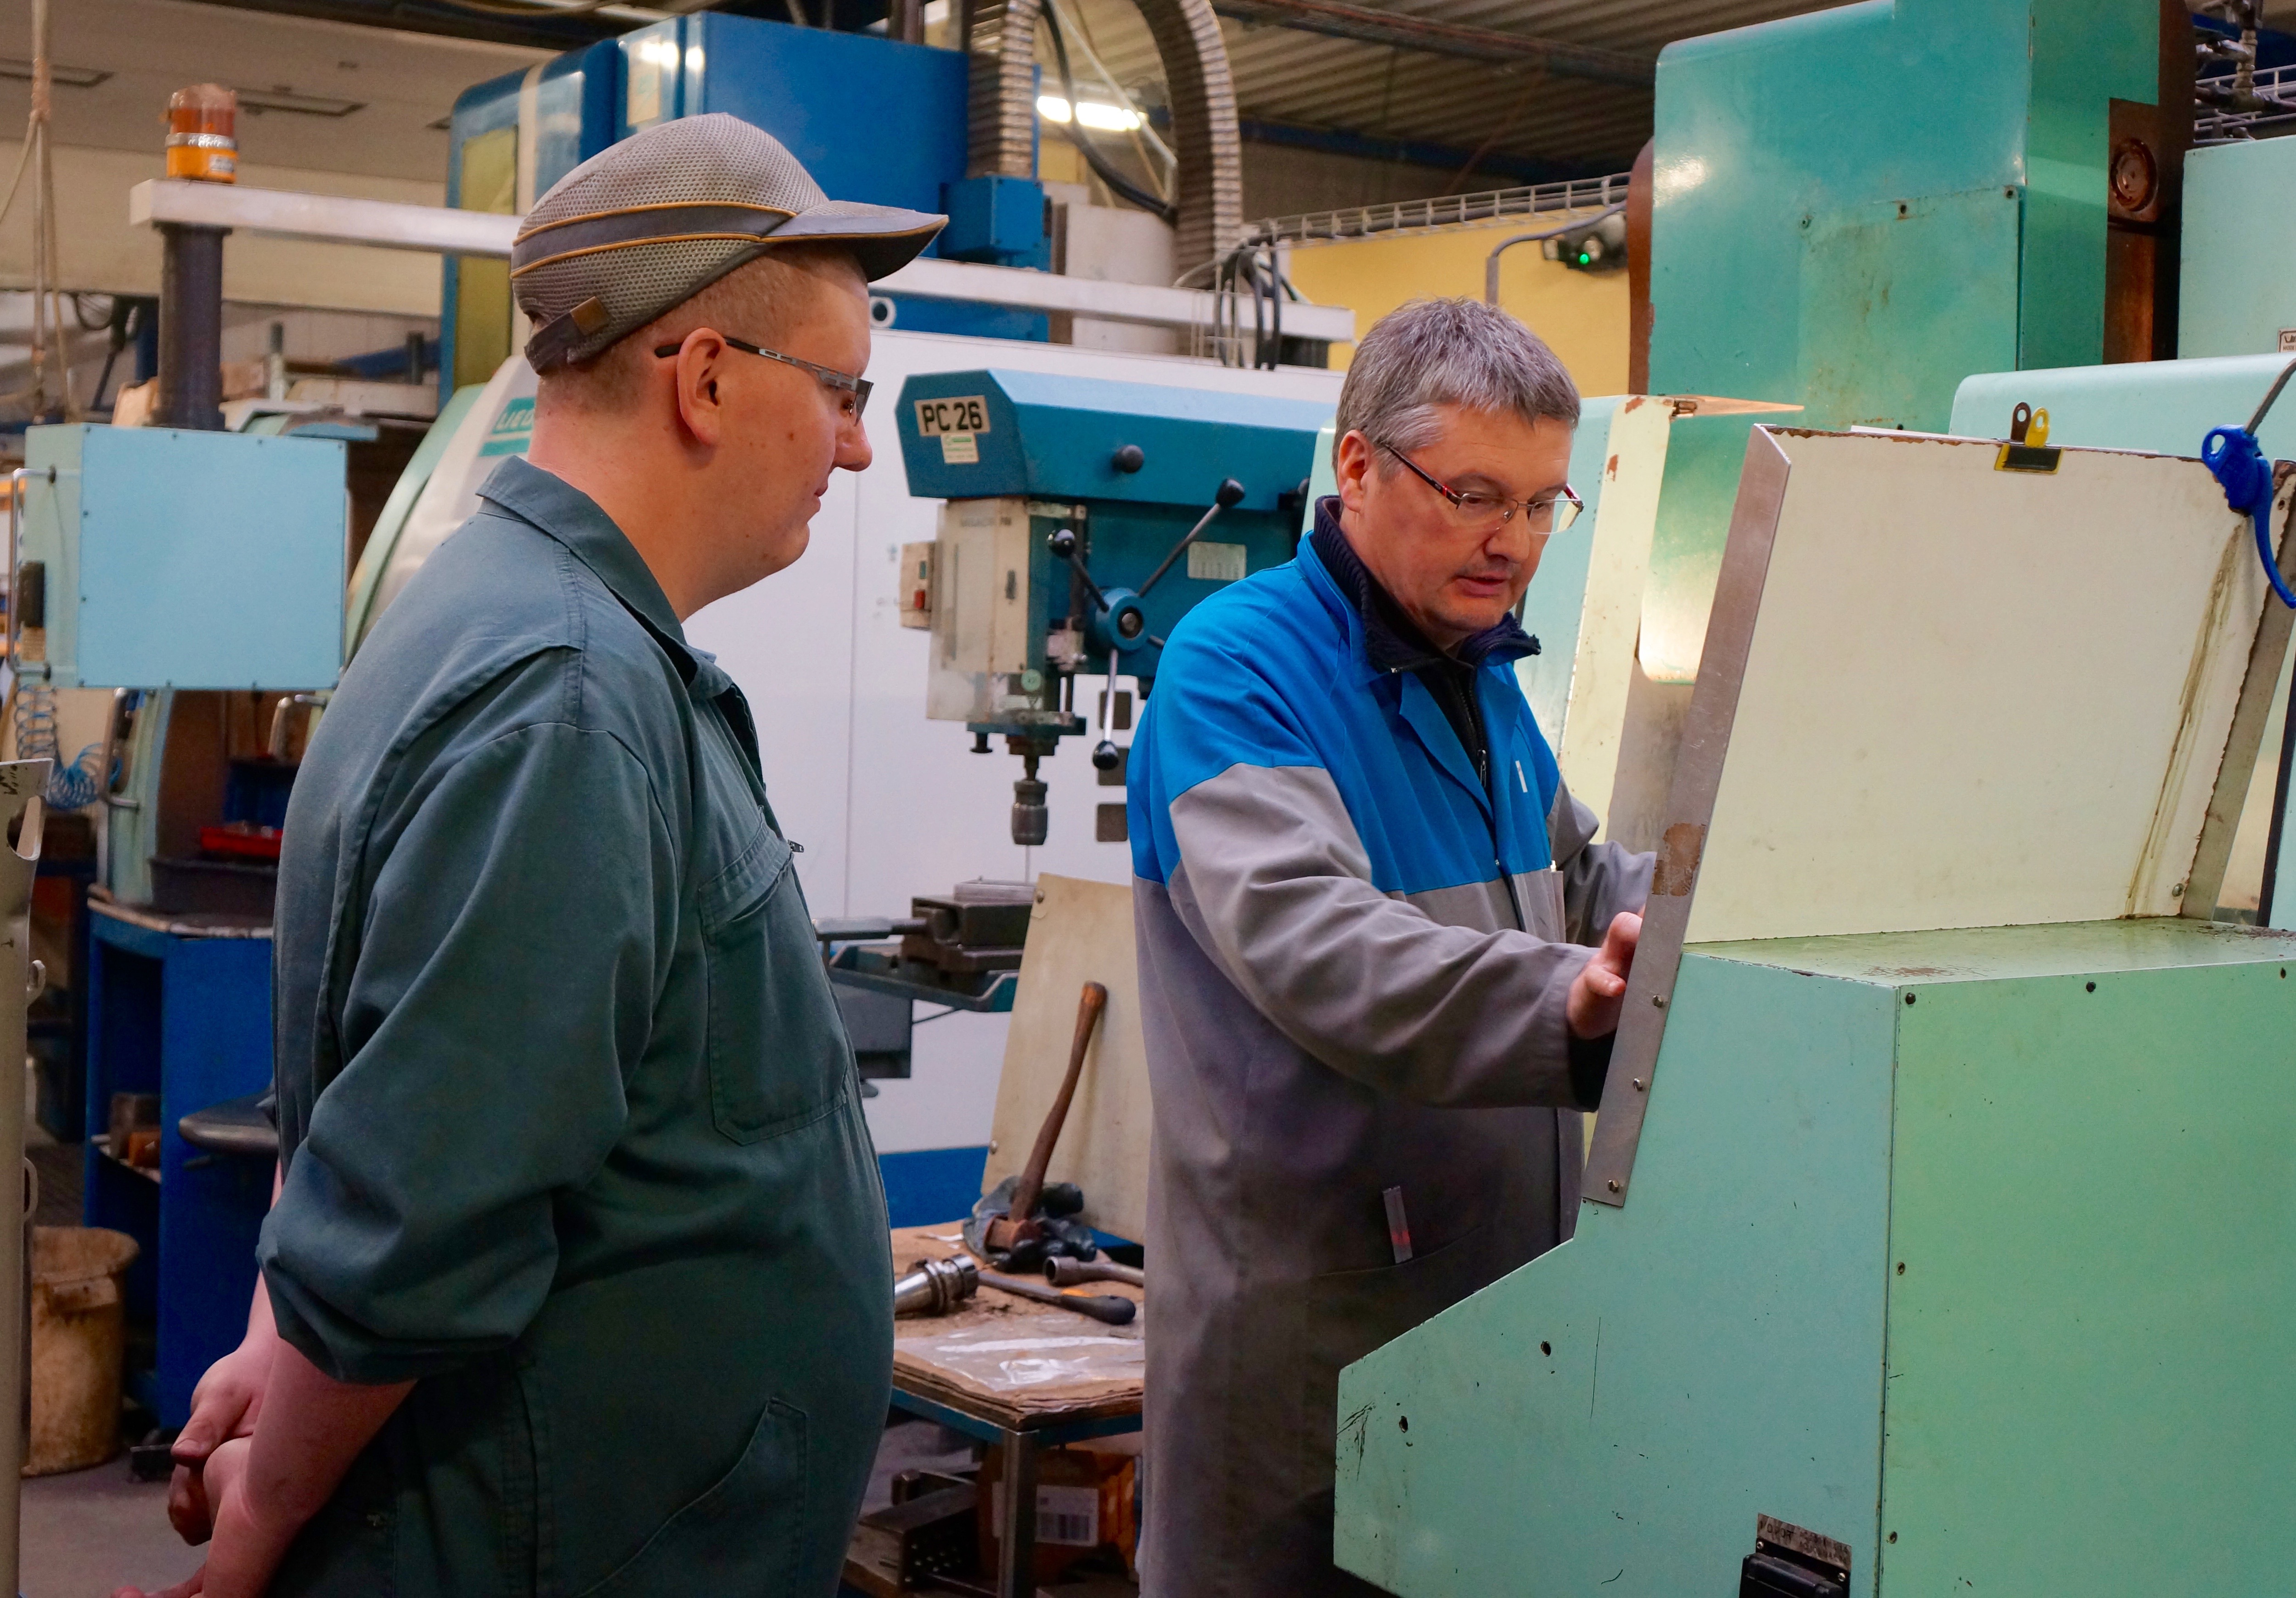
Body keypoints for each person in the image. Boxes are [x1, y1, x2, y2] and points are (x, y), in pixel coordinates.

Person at [115, 115, 943, 1598]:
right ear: (705, 378)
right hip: (570, 1544)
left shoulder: (504, 621)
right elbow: (428, 1217)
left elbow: (385, 1099)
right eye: (842, 392)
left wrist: (272, 1346)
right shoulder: (567, 699)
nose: (855, 444)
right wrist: (257, 1529)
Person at [1126, 297, 1654, 1595]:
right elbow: (1319, 945)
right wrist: (1571, 1004)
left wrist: (1744, 904)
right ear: (1358, 466)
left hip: (1498, 1305)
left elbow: (1580, 882)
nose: (1512, 542)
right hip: (1315, 1335)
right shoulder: (1238, 667)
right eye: (1476, 495)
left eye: (1542, 504)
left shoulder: (1479, 672)